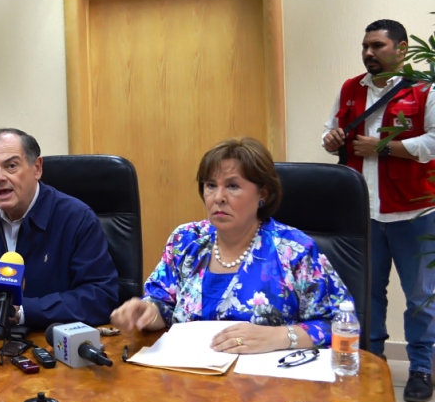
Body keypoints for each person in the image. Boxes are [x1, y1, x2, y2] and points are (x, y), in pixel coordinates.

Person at [112, 137, 354, 354]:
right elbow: (162, 304)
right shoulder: (185, 240)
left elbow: (339, 324)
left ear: (263, 194)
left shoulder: (294, 250)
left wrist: (279, 336)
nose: (218, 197)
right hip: (190, 376)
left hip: (267, 380)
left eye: (232, 186)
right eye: (211, 185)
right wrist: (146, 312)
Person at [322, 19, 435, 402]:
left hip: (414, 214)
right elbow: (330, 131)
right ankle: (372, 363)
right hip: (362, 215)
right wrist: (331, 138)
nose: (368, 53)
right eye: (365, 46)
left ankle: (421, 369)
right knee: (366, 296)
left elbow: (433, 142)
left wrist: (384, 148)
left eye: (377, 46)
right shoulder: (350, 88)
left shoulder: (425, 89)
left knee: (420, 298)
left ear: (402, 49)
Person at [0, 128, 119, 328]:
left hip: (50, 341)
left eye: (11, 166)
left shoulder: (77, 219)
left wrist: (20, 311)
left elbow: (100, 297)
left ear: (37, 168)